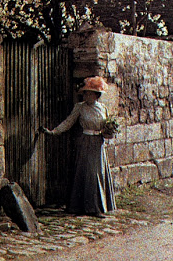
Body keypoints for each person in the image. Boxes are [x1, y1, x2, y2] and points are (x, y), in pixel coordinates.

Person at [41, 76, 116, 217]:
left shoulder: (103, 108)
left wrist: (110, 130)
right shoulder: (80, 107)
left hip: (98, 143)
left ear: (96, 95)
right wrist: (54, 131)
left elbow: (106, 125)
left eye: (89, 93)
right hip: (85, 142)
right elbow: (68, 122)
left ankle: (98, 206)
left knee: (98, 173)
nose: (86, 96)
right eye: (85, 93)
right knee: (88, 174)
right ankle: (87, 207)